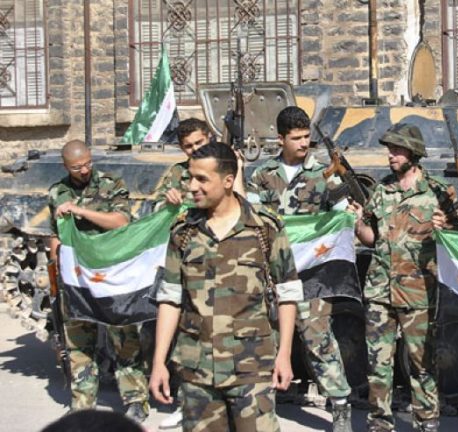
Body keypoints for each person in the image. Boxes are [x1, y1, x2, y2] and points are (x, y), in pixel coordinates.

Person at [149, 142, 302, 432]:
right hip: (196, 370)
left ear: (228, 180)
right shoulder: (183, 232)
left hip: (251, 367)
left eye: (202, 179)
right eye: (191, 178)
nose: (192, 186)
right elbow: (170, 298)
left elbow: (288, 292)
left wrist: (284, 354)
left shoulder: (264, 228)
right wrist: (158, 363)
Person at [247, 106, 353, 431]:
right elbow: (252, 220)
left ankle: (341, 405)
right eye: (296, 138)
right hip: (271, 273)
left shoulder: (324, 174)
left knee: (319, 339)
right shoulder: (262, 175)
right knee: (264, 339)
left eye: (307, 136)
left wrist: (351, 215)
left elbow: (342, 213)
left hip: (310, 272)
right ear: (281, 139)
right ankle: (260, 406)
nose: (304, 143)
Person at [350, 123, 458, 432]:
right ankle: (380, 423)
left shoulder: (437, 192)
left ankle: (427, 423)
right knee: (378, 366)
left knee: (423, 366)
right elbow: (372, 238)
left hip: (418, 292)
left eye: (397, 150)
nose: (391, 155)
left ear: (413, 153)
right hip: (379, 291)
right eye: (390, 149)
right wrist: (358, 223)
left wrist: (446, 228)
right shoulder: (381, 190)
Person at [47, 139, 149, 422]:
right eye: (77, 167)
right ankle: (82, 405)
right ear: (65, 166)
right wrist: (55, 263)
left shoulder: (110, 184)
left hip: (110, 275)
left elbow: (121, 221)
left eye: (88, 164)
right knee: (79, 343)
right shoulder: (57, 192)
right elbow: (54, 232)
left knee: (123, 339)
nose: (84, 170)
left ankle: (136, 400)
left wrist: (80, 211)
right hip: (77, 280)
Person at [153, 118, 213, 208]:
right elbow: (157, 207)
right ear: (182, 148)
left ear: (209, 137)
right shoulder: (178, 171)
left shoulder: (225, 165)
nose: (195, 149)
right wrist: (168, 202)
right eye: (189, 146)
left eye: (199, 142)